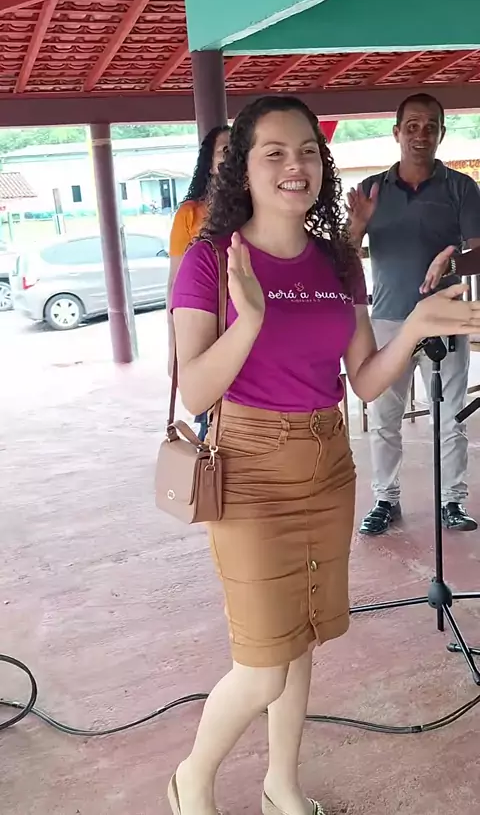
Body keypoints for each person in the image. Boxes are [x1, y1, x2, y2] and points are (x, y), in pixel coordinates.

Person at [169, 94, 480, 815]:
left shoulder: (337, 261)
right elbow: (196, 391)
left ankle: (281, 784)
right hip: (249, 468)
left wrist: (417, 325)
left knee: (301, 641)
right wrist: (250, 319)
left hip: (327, 461)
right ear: (243, 169)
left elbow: (365, 379)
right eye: (274, 152)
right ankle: (191, 780)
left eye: (308, 150)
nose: (295, 165)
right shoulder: (210, 259)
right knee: (262, 665)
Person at [347, 93, 480, 536]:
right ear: (396, 133)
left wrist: (452, 258)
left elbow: (478, 252)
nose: (421, 134)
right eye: (412, 126)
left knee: (450, 416)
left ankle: (452, 500)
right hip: (389, 321)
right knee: (384, 419)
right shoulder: (372, 189)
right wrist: (357, 226)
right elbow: (344, 255)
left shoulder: (461, 188)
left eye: (430, 127)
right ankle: (385, 499)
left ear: (442, 133)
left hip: (446, 320)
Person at [167, 124, 230, 439]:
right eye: (224, 151)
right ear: (209, 163)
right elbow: (175, 287)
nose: (232, 158)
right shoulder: (189, 215)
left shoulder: (259, 209)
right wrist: (174, 348)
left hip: (245, 325)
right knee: (211, 421)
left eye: (239, 151)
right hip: (205, 327)